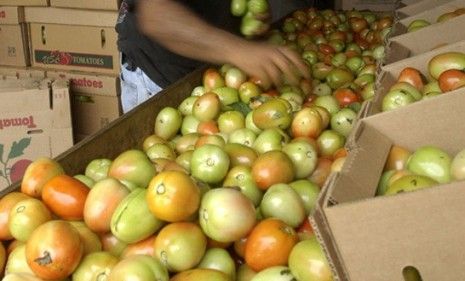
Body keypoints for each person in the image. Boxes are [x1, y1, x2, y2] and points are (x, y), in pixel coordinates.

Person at [116, 0, 313, 113]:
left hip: (213, 65)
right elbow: (155, 15)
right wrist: (239, 49)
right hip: (160, 70)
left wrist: (251, 17)